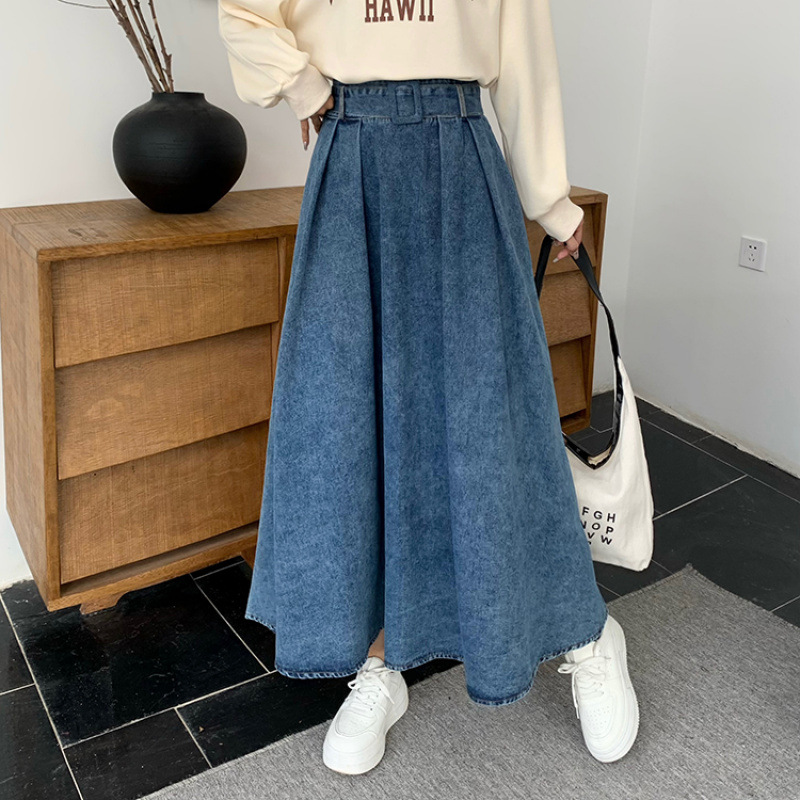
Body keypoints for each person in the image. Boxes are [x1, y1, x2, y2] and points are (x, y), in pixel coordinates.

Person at [217, 0, 639, 775]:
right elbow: (244, 12)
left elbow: (524, 47)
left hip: (461, 148)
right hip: (352, 155)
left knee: (495, 422)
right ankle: (380, 661)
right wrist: (307, 88)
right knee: (351, 419)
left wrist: (550, 199)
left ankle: (584, 632)